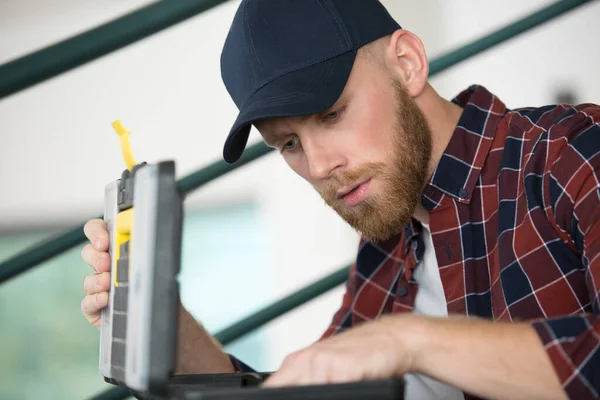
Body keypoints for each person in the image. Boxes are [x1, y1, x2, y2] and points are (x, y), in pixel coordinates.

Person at [80, 1, 600, 399]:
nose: (319, 165)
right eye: (289, 144)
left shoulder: (572, 156)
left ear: (407, 62)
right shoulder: (387, 245)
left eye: (331, 114)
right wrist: (168, 327)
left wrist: (410, 342)